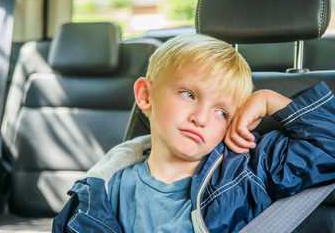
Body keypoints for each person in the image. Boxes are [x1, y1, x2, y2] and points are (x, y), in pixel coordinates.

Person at [52, 34, 335, 232]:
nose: (200, 118)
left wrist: (269, 100)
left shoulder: (249, 169)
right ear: (145, 95)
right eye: (188, 94)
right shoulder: (100, 191)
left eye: (222, 112)